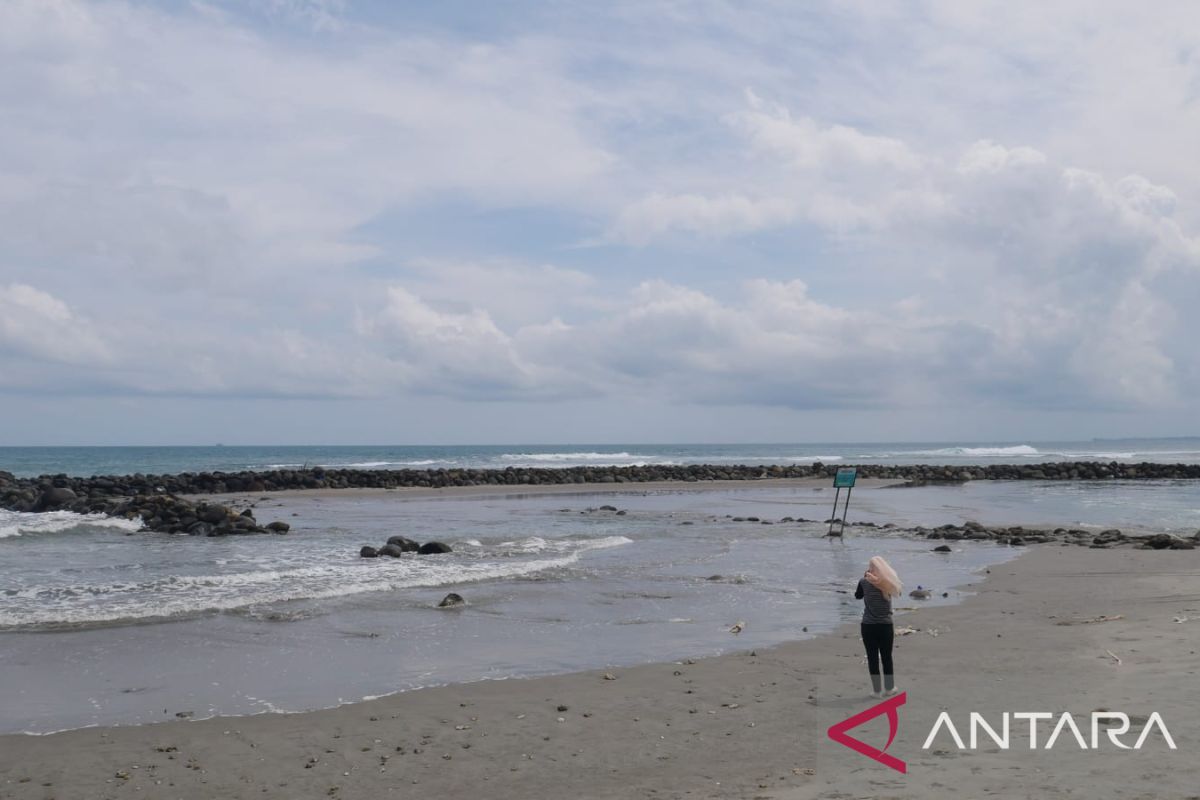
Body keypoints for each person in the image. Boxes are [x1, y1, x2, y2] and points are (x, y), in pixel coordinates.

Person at [854, 555, 902, 697]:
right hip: (885, 625)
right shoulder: (889, 583)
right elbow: (899, 592)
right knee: (887, 657)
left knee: (872, 657)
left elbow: (858, 596)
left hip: (868, 625)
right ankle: (889, 688)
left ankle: (876, 691)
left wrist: (866, 578)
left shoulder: (863, 581)